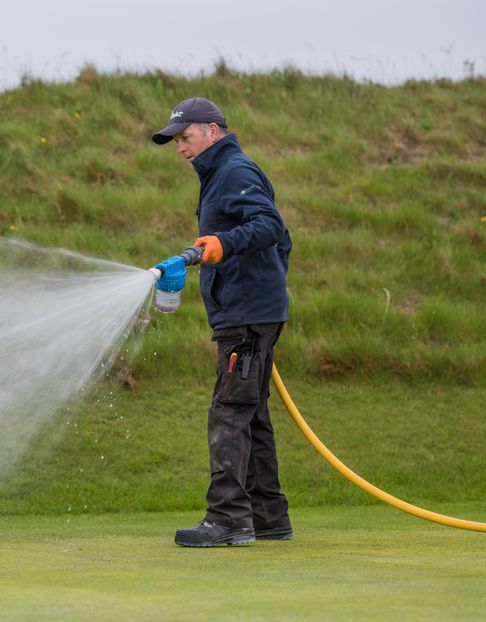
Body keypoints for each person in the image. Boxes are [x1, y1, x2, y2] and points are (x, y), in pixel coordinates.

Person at [152, 97, 293, 547]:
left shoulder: (234, 170)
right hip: (251, 311)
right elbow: (282, 240)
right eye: (175, 140)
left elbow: (269, 226)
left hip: (246, 317)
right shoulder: (220, 174)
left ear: (212, 131)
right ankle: (267, 516)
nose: (179, 148)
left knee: (230, 412)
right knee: (251, 415)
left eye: (185, 137)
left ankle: (229, 518)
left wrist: (221, 247)